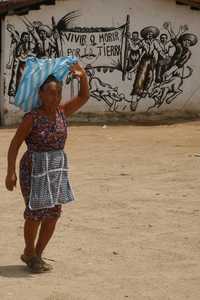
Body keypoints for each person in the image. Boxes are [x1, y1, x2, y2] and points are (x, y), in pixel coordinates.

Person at [5, 61, 89, 273]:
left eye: (58, 93)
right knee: (35, 212)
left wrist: (83, 77)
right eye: (51, 93)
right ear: (41, 94)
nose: (55, 97)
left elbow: (83, 97)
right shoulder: (31, 118)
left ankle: (37, 255)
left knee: (53, 213)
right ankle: (29, 251)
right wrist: (10, 172)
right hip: (34, 169)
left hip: (56, 168)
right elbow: (14, 145)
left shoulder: (62, 112)